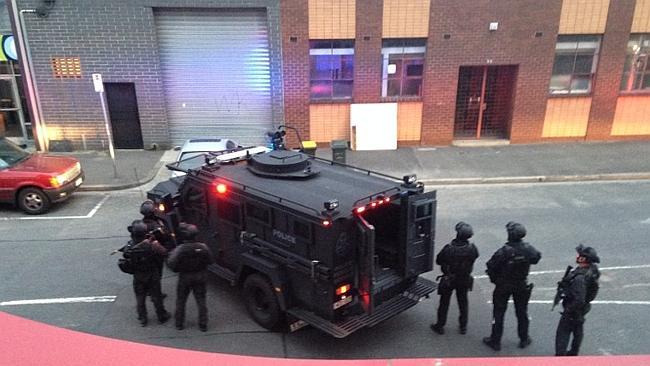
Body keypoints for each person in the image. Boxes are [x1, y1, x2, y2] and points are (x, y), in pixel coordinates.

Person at [483, 222, 541, 351]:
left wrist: (495, 280)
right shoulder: (528, 249)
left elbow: (491, 266)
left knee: (498, 313)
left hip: (503, 285)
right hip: (521, 284)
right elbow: (536, 258)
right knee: (522, 312)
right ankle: (524, 338)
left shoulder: (504, 251)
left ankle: (495, 341)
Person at [430, 222, 479, 335]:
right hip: (464, 279)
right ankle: (463, 326)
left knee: (444, 303)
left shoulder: (449, 249)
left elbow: (438, 260)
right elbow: (474, 257)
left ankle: (440, 325)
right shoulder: (472, 248)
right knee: (463, 302)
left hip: (449, 279)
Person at [122, 220, 171, 327]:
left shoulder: (130, 246)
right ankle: (161, 315)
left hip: (138, 275)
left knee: (140, 297)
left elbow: (125, 255)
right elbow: (164, 253)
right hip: (152, 274)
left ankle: (142, 317)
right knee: (156, 296)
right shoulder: (152, 244)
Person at [555, 245, 600, 356]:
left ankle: (560, 357)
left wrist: (568, 310)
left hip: (574, 308)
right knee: (578, 328)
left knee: (563, 332)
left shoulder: (579, 278)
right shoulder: (592, 270)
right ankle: (574, 352)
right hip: (583, 307)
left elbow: (579, 299)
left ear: (584, 259)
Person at [167, 223, 214, 331]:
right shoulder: (203, 247)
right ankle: (203, 324)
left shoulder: (180, 249)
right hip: (200, 276)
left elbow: (171, 263)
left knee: (181, 300)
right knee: (201, 300)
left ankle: (179, 323)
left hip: (185, 277)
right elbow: (211, 261)